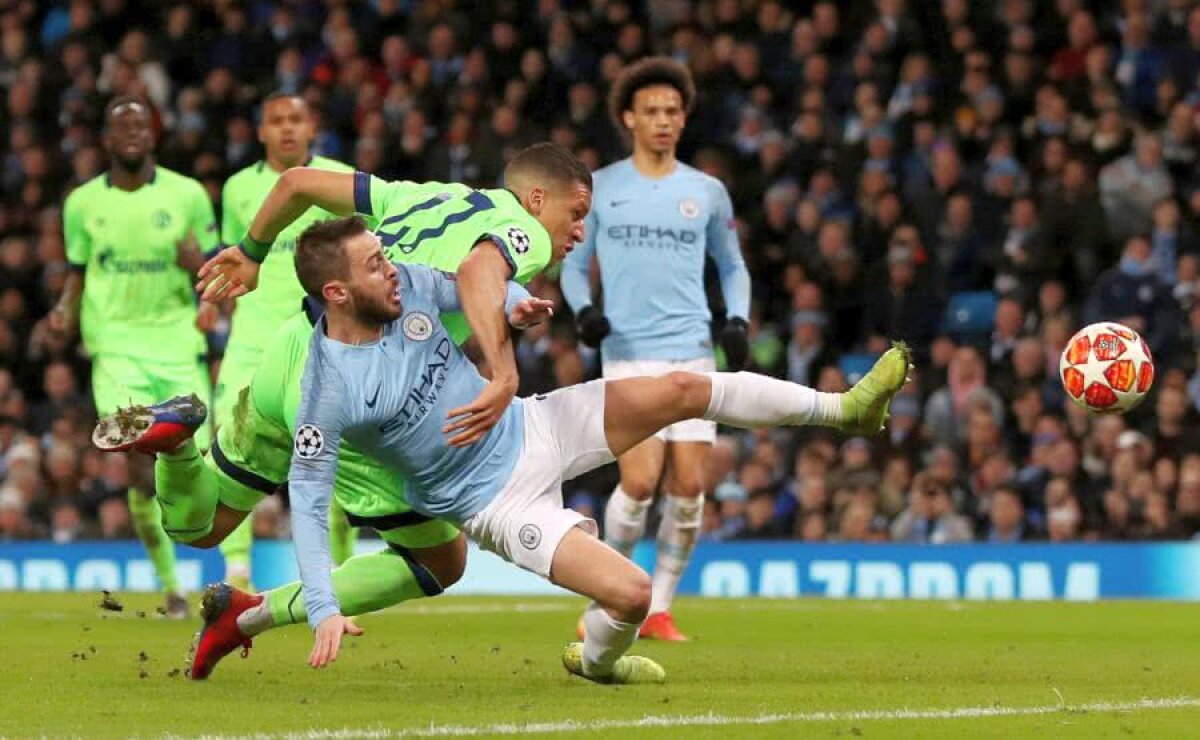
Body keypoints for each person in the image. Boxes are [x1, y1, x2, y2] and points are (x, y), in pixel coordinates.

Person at [189, 216, 905, 685]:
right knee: (630, 594)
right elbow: (308, 507)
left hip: (534, 425)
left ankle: (841, 410)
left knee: (684, 385)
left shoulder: (403, 292)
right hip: (495, 502)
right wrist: (319, 605)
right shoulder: (325, 389)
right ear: (339, 291)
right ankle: (597, 661)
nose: (393, 269)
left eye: (386, 254)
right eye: (376, 264)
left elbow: (469, 284)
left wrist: (510, 305)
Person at [95, 143, 590, 679]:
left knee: (203, 527)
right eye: (577, 213)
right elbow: (477, 269)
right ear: (537, 199)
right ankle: (259, 614)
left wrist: (252, 251)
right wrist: (505, 370)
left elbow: (297, 183)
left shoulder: (422, 195)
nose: (579, 231)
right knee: (440, 561)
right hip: (356, 386)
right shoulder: (530, 233)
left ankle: (177, 447)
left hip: (292, 348)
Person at [560, 57, 752, 641]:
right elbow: (571, 264)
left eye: (673, 111)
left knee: (690, 490)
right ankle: (607, 597)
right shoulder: (603, 188)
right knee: (640, 483)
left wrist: (736, 321)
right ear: (629, 118)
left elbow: (733, 264)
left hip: (692, 349)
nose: (664, 121)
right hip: (629, 352)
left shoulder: (707, 191)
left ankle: (658, 608)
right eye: (652, 111)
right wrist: (585, 312)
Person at [53, 97, 220, 618]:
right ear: (106, 139)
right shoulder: (81, 203)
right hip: (116, 346)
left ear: (154, 135)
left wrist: (202, 273)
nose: (132, 134)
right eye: (121, 125)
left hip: (176, 346)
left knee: (204, 465)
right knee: (138, 459)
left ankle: (220, 569)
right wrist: (62, 312)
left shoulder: (187, 194)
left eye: (141, 125)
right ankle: (172, 589)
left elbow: (217, 269)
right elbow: (78, 273)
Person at [214, 92, 358, 589]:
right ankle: (235, 576)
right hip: (252, 341)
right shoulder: (237, 188)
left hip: (321, 339)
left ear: (312, 125)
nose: (286, 129)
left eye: (295, 119)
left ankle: (340, 573)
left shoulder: (341, 178)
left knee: (334, 458)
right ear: (260, 131)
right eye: (275, 120)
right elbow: (237, 258)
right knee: (228, 443)